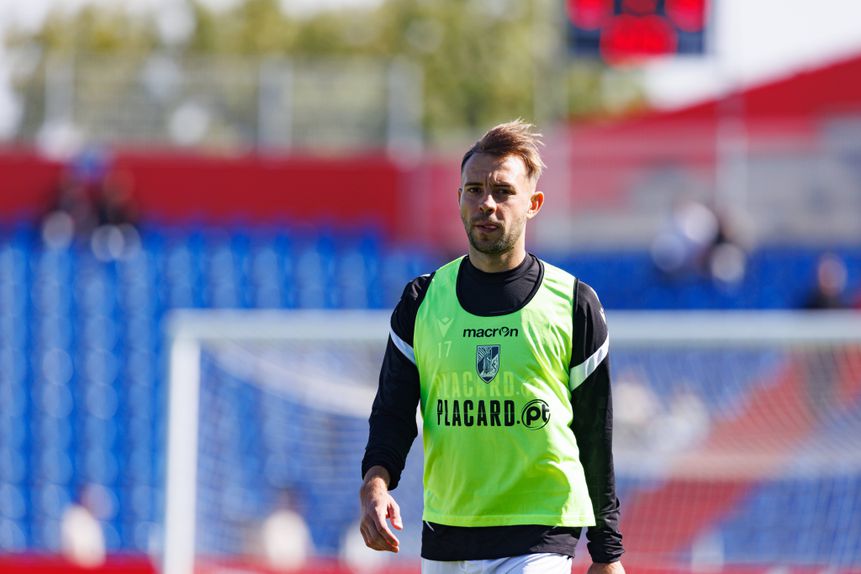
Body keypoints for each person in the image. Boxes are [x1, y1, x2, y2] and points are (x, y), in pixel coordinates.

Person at [359, 120, 625, 573]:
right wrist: (376, 486)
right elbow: (393, 413)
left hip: (539, 535)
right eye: (474, 190)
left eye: (503, 191)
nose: (487, 203)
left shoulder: (573, 303)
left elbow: (594, 436)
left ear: (533, 204)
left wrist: (607, 554)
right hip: (446, 534)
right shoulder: (422, 302)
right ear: (459, 199)